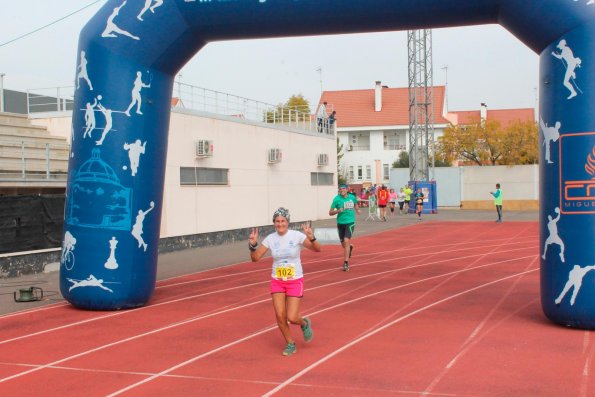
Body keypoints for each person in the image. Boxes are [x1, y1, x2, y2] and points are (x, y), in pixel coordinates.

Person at [248, 207, 319, 356]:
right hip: (277, 280)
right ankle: (290, 343)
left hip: (295, 280)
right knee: (280, 316)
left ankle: (304, 323)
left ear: (288, 222)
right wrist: (253, 245)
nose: (280, 224)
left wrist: (311, 237)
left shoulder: (297, 236)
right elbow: (255, 258)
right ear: (274, 223)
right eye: (277, 221)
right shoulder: (270, 239)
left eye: (283, 221)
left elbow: (317, 249)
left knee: (292, 317)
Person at [329, 184, 361, 271]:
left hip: (350, 222)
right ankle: (349, 247)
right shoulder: (336, 199)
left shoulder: (352, 197)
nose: (341, 190)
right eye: (340, 189)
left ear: (347, 190)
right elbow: (330, 212)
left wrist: (357, 210)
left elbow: (355, 204)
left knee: (346, 240)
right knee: (344, 244)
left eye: (343, 189)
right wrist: (338, 211)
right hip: (340, 223)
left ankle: (346, 263)